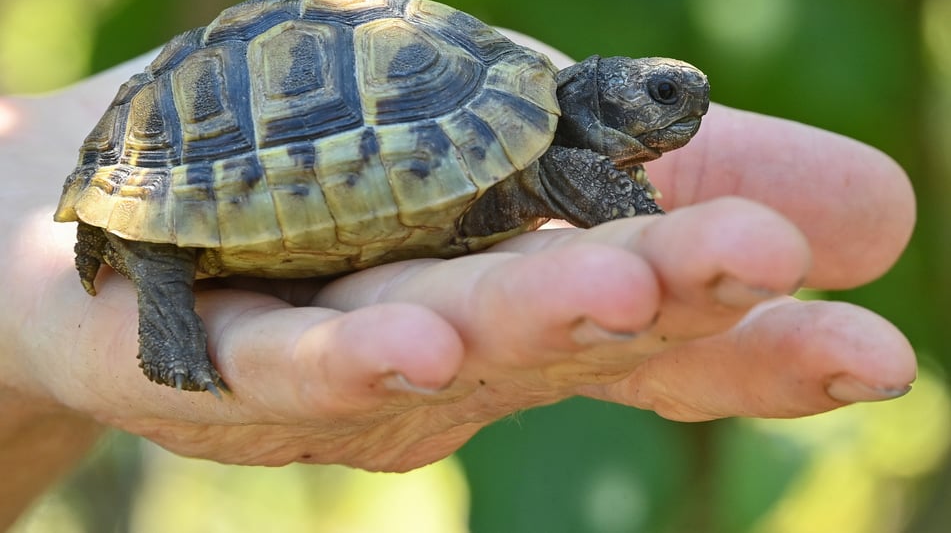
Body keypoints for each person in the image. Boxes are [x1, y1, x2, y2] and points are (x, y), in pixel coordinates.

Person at [0, 32, 917, 528]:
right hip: (209, 139)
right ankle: (160, 291)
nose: (684, 109)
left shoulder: (537, 130)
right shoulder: (540, 134)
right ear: (593, 95)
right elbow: (574, 176)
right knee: (176, 248)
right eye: (659, 96)